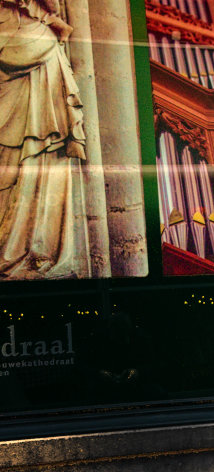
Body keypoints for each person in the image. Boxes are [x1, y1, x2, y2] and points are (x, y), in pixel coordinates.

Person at [0, 0, 87, 279]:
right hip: (30, 40)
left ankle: (35, 246)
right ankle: (31, 245)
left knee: (39, 149)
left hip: (37, 46)